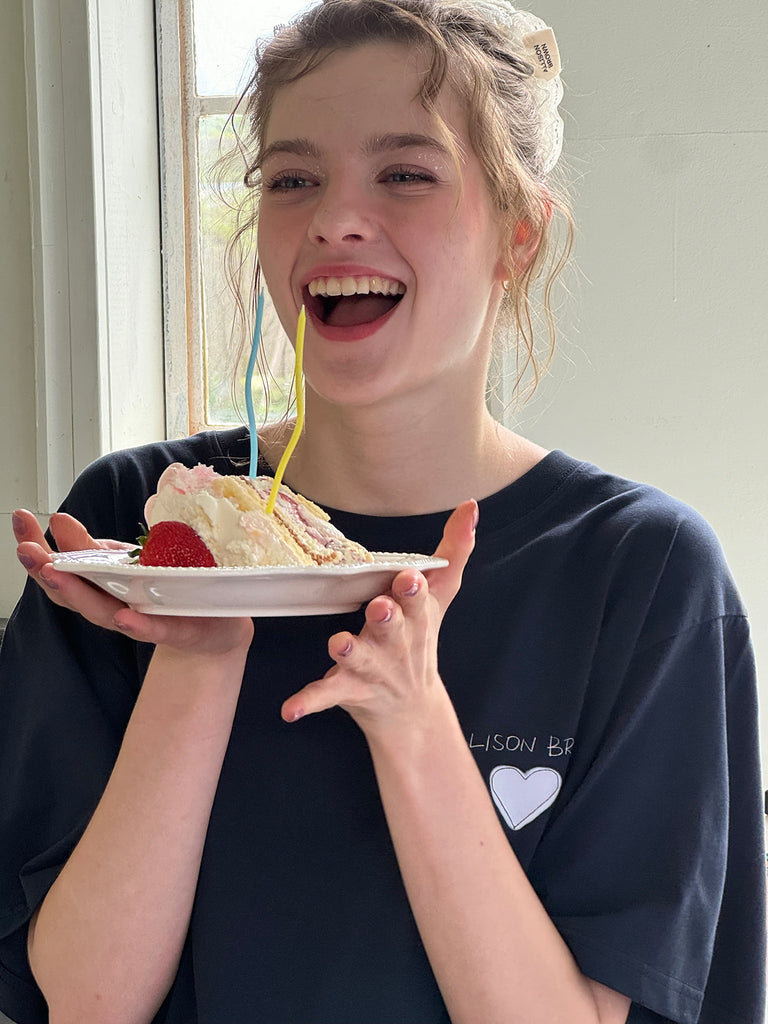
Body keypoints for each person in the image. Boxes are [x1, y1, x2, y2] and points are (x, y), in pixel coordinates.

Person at [0, 1, 764, 1021]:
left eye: (405, 173)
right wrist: (196, 648)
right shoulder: (133, 531)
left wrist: (413, 718)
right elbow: (86, 1000)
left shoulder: (642, 573)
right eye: (292, 179)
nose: (334, 220)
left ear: (519, 234)